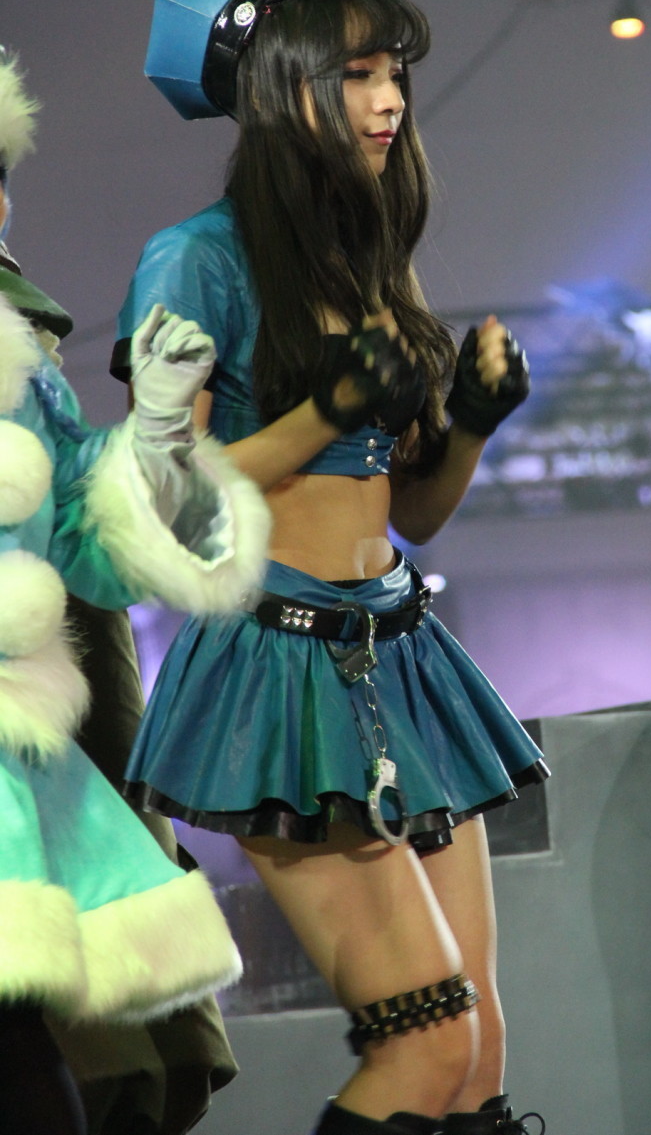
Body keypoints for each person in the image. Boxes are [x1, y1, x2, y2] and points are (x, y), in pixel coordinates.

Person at [112, 0, 548, 1135]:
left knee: (476, 1053)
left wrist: (471, 421)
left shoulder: (369, 256)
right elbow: (164, 491)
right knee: (424, 1047)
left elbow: (412, 513)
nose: (388, 98)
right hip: (280, 677)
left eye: (393, 70)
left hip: (399, 652)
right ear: (280, 84)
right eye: (356, 72)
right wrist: (326, 411)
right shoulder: (193, 259)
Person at [0, 93, 271, 1131]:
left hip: (26, 784)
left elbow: (82, 541)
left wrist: (155, 434)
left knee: (88, 1085)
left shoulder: (14, 356)